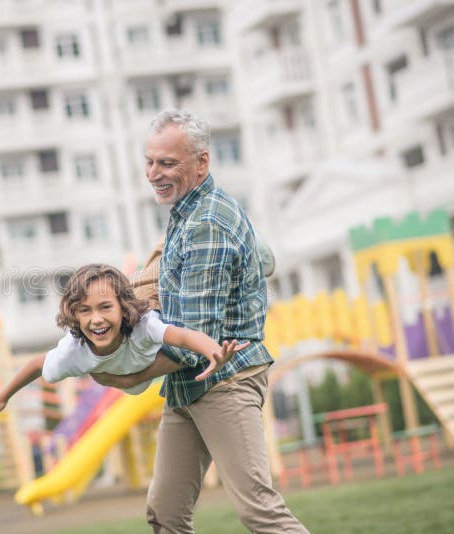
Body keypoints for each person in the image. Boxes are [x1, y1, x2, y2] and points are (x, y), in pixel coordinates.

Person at [91, 109, 309, 533]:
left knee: (260, 512)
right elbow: (259, 262)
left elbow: (196, 337)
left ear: (201, 163)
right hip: (186, 383)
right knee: (166, 513)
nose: (154, 173)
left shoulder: (206, 222)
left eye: (167, 163)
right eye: (150, 161)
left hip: (225, 378)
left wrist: (124, 377)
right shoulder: (187, 212)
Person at [0, 263, 249, 422]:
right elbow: (35, 364)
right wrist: (1, 397)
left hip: (151, 311)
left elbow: (184, 336)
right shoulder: (73, 352)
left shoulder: (143, 324)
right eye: (84, 311)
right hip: (135, 367)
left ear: (121, 308)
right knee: (149, 276)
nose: (95, 320)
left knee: (159, 272)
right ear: (74, 315)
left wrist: (213, 350)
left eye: (105, 307)